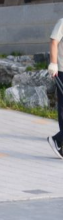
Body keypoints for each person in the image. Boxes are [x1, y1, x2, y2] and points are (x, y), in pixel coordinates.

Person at [47, 16, 63, 158]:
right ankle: (57, 140)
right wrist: (53, 64)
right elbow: (54, 41)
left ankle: (59, 141)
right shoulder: (62, 22)